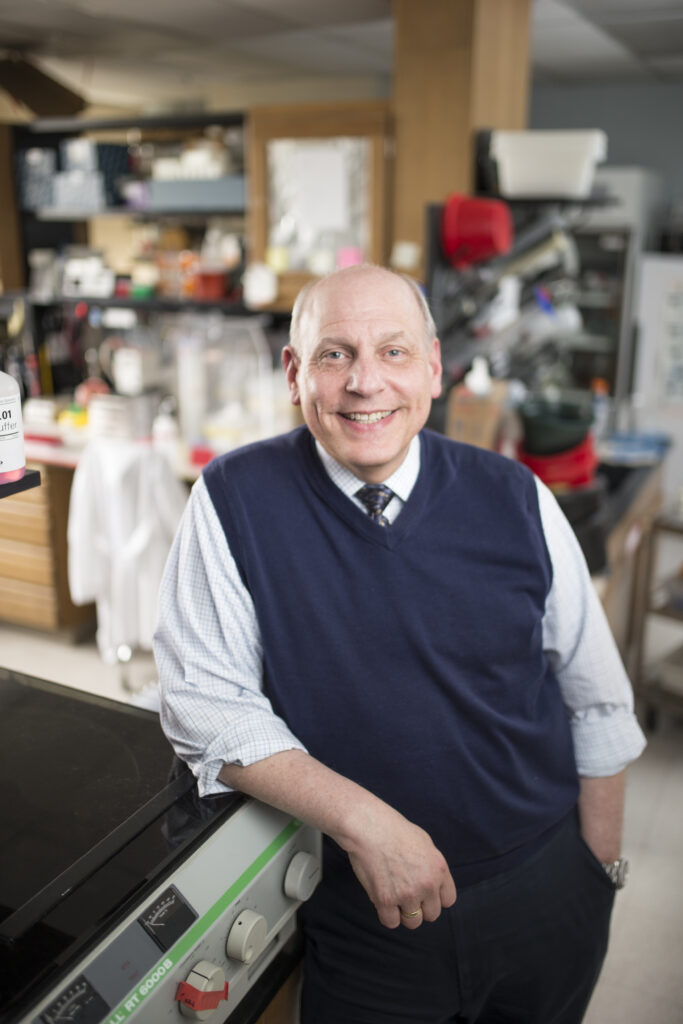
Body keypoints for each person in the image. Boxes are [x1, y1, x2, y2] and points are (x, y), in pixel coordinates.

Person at [155, 264, 646, 1024]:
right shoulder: (232, 501)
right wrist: (366, 823)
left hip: (546, 889)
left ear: (433, 367)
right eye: (333, 354)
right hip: (366, 911)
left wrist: (594, 873)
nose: (364, 383)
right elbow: (204, 704)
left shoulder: (515, 497)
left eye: (392, 352)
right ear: (293, 373)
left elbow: (597, 702)